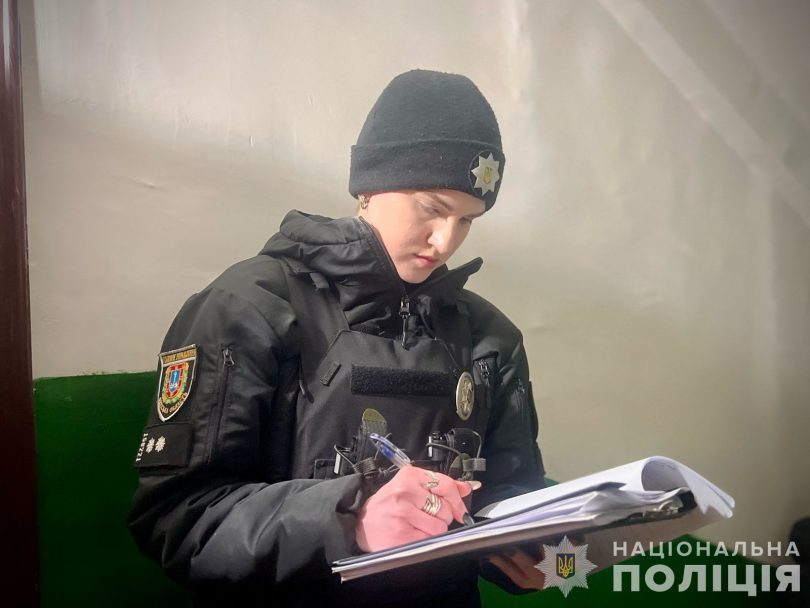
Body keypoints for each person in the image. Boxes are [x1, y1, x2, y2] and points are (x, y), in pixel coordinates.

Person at [128, 69, 546, 607]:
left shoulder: (490, 337)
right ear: (368, 187)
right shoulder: (250, 307)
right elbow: (178, 518)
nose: (445, 242)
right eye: (432, 208)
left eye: (468, 221)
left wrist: (535, 545)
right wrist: (350, 518)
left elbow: (508, 489)